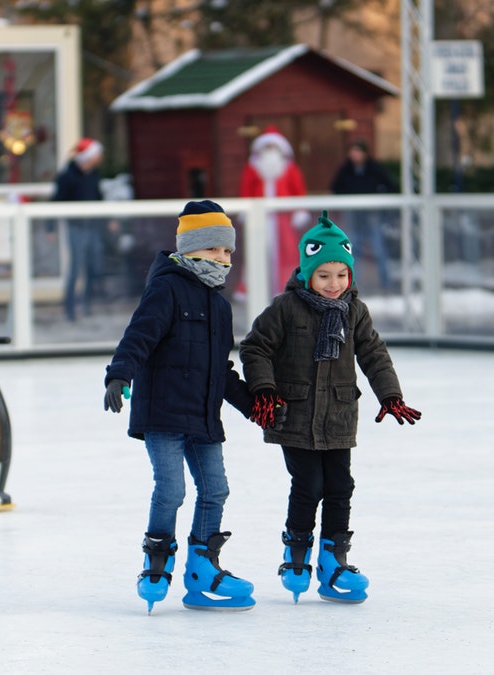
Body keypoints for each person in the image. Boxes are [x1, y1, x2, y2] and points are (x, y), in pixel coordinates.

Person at [239, 210, 421, 604]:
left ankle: (333, 559)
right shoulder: (285, 307)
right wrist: (265, 390)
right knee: (309, 485)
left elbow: (374, 353)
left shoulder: (355, 311)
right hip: (295, 414)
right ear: (307, 273)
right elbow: (255, 348)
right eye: (324, 275)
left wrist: (390, 394)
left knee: (341, 486)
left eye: (341, 274)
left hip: (338, 414)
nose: (334, 284)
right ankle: (297, 553)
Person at [103, 199, 259, 613]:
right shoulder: (166, 288)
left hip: (204, 415)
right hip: (164, 413)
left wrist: (253, 406)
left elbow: (221, 370)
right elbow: (139, 335)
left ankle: (202, 568)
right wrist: (120, 374)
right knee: (171, 490)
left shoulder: (220, 306)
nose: (222, 259)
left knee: (216, 490)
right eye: (213, 250)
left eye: (227, 252)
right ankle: (156, 561)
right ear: (189, 248)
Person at [238, 125, 310, 293]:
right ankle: (254, 289)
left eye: (273, 147)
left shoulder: (290, 168)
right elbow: (246, 189)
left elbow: (298, 190)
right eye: (267, 147)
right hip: (258, 217)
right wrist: (245, 210)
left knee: (287, 252)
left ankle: (287, 285)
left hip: (283, 217)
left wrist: (299, 210)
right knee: (257, 251)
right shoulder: (252, 168)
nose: (270, 150)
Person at [330, 139, 398, 291]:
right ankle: (353, 284)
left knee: (379, 249)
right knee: (352, 251)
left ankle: (386, 283)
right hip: (353, 217)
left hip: (372, 216)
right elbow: (336, 189)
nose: (355, 155)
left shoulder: (374, 169)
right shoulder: (345, 170)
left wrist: (381, 203)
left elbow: (390, 186)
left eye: (358, 151)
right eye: (352, 151)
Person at [53, 137, 105, 321]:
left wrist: (107, 221)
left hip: (93, 226)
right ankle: (69, 308)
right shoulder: (67, 176)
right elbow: (56, 201)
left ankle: (87, 305)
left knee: (93, 266)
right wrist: (50, 227)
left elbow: (99, 198)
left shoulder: (94, 175)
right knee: (75, 268)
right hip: (76, 227)